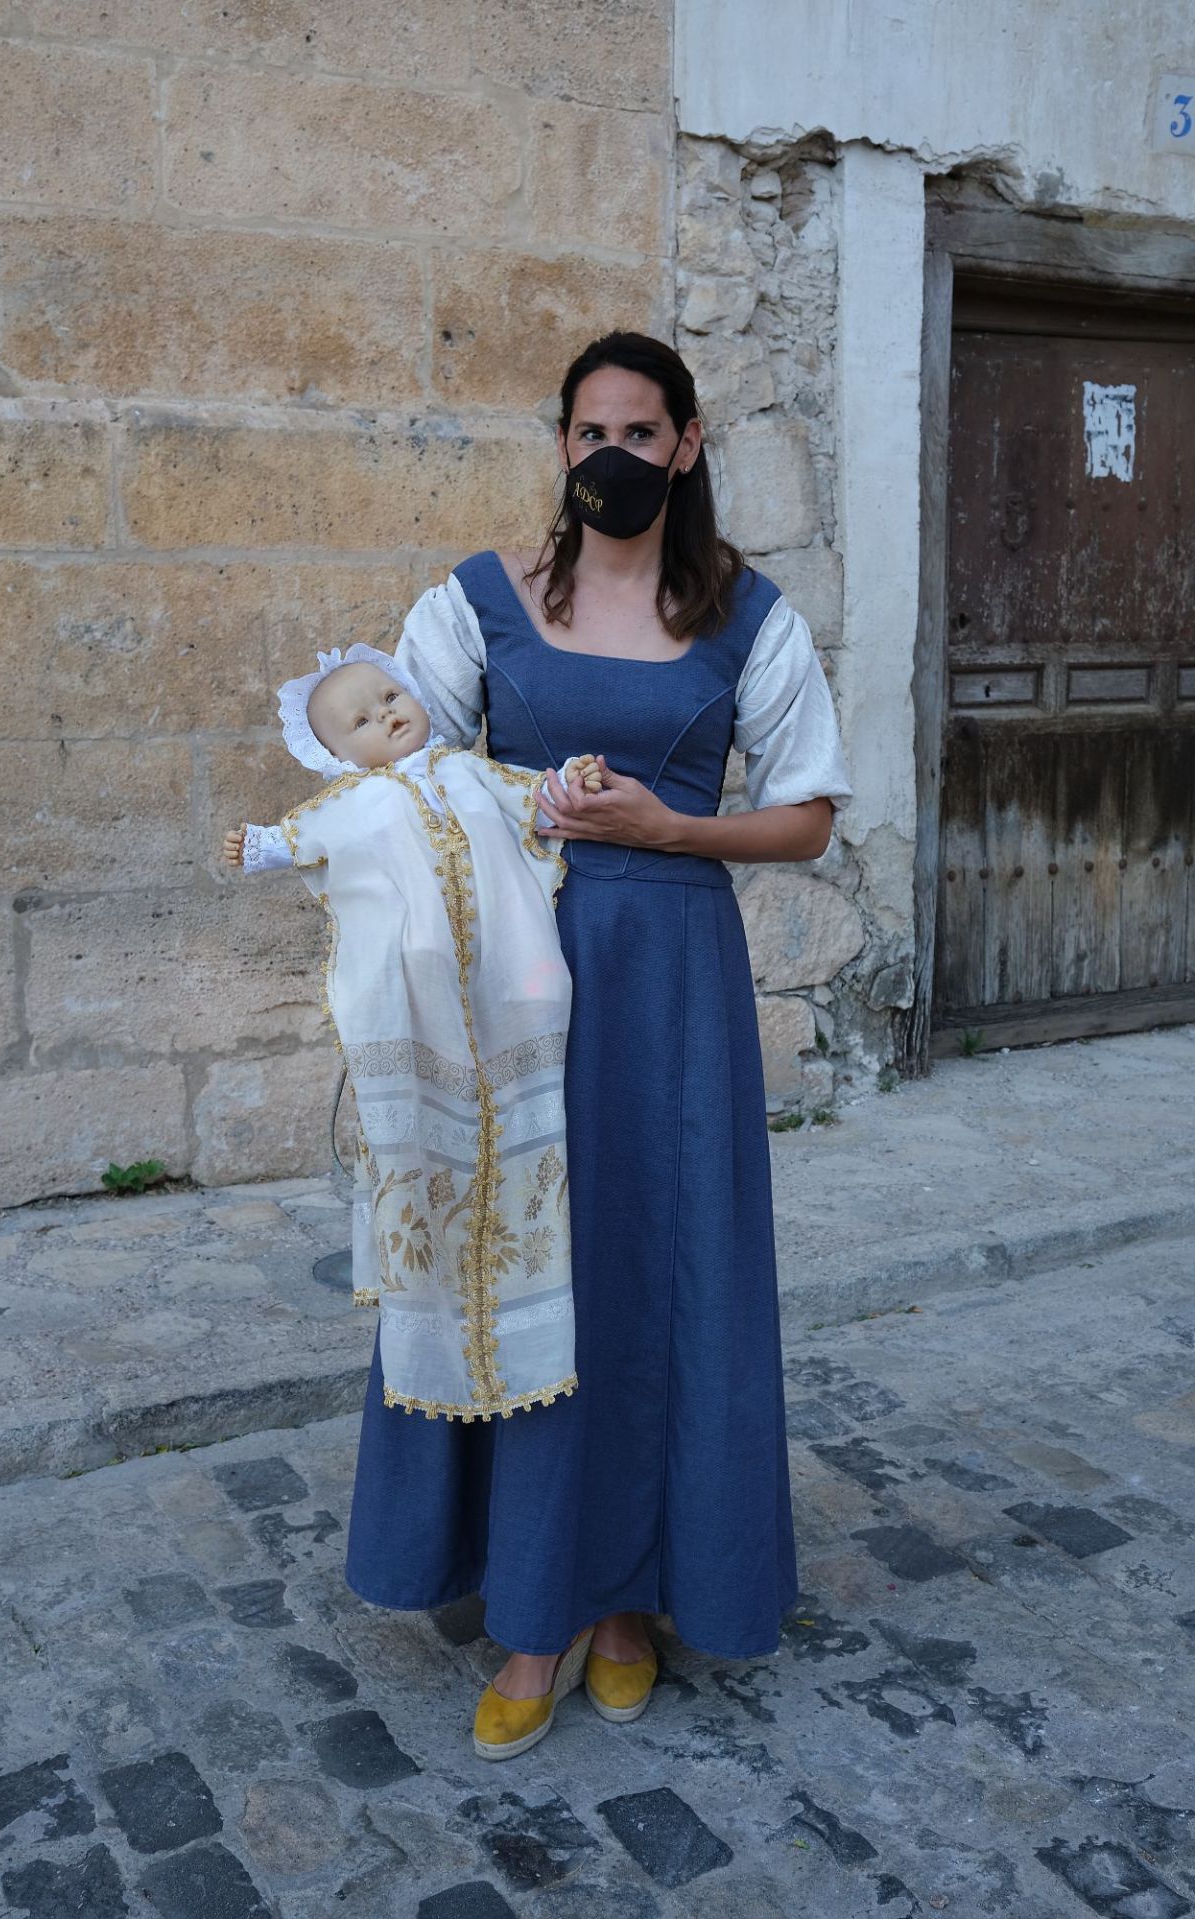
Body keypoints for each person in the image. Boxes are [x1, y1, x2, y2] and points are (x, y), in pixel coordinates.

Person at [343, 330, 855, 1762]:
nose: (612, 454)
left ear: (685, 445)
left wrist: (670, 826)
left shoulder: (749, 616)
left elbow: (808, 817)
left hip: (666, 980)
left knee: (646, 1265)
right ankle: (532, 1611)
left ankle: (625, 1599)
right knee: (515, 1260)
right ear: (560, 445)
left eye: (640, 431)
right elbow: (398, 770)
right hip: (508, 971)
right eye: (589, 431)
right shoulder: (480, 600)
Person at [224, 643, 602, 1422]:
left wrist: (572, 781)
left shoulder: (468, 771)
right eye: (361, 720)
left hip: (512, 994)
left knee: (525, 1151)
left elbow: (531, 798)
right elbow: (298, 839)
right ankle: (440, 1333)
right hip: (418, 1010)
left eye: (391, 696)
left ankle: (528, 1325)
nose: (387, 716)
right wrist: (256, 844)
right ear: (334, 753)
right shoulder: (352, 803)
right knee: (433, 1155)